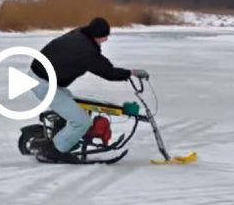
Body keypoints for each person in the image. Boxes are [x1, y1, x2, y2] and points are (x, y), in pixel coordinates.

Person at [29, 17, 149, 163]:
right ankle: (54, 150)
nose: (105, 40)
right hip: (43, 84)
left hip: (45, 79)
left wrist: (126, 72)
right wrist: (131, 73)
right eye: (105, 36)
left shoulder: (80, 35)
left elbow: (98, 60)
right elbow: (107, 72)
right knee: (82, 122)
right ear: (98, 35)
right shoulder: (85, 50)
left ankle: (60, 138)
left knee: (73, 106)